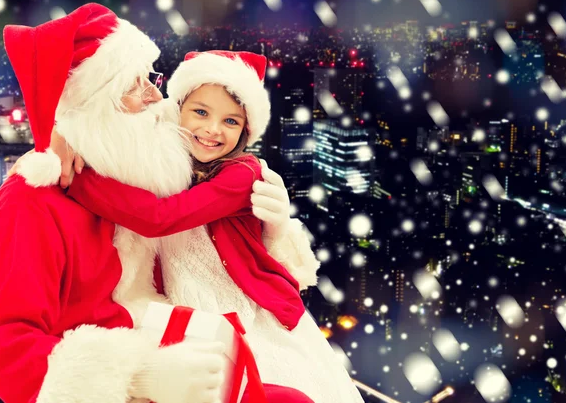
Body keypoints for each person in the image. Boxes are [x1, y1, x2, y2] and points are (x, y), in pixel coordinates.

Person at [0, 5, 311, 403]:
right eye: (134, 85)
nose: (156, 97)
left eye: (150, 79)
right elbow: (5, 351)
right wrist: (138, 379)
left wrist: (277, 233)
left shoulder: (131, 181)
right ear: (95, 102)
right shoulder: (32, 200)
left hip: (163, 339)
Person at [63, 50, 364, 403]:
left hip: (247, 314)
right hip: (191, 314)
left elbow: (161, 218)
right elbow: (121, 127)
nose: (212, 130)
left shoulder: (242, 174)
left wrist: (78, 180)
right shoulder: (169, 160)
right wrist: (68, 137)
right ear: (177, 111)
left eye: (231, 121)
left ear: (246, 131)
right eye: (201, 112)